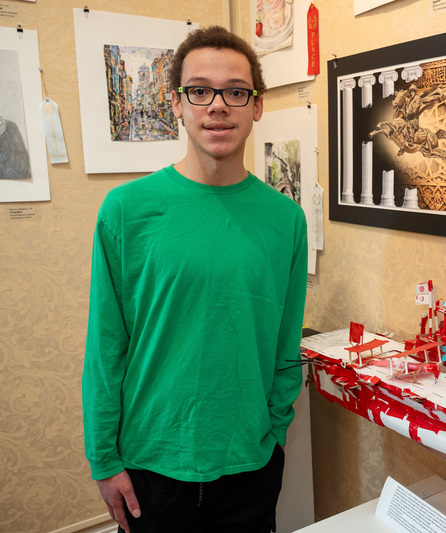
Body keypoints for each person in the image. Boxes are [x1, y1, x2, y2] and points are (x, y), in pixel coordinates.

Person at [82, 25, 307, 533]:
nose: (218, 106)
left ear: (257, 105)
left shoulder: (286, 220)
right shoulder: (126, 211)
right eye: (200, 90)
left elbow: (284, 347)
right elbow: (105, 348)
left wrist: (274, 432)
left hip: (250, 463)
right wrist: (104, 459)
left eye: (235, 91)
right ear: (178, 104)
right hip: (152, 465)